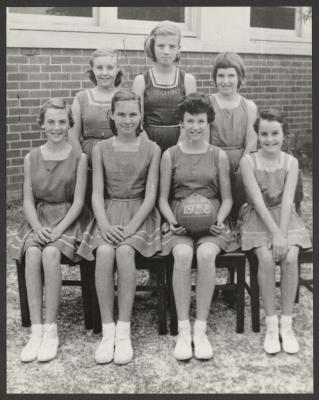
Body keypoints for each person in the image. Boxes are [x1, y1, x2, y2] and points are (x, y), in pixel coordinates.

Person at [77, 89, 161, 365]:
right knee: (103, 253)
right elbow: (96, 194)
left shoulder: (152, 149)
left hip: (139, 213)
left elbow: (150, 195)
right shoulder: (100, 149)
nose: (127, 120)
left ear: (140, 116)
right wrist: (104, 223)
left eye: (133, 114)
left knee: (124, 252)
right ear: (112, 115)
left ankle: (124, 331)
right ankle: (108, 330)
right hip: (109, 211)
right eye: (121, 114)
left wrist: (132, 226)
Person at [159, 93, 239, 361]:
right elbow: (162, 197)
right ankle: (183, 330)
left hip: (212, 221)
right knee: (182, 255)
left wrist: (218, 220)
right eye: (190, 121)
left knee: (205, 255)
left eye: (200, 121)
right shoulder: (170, 154)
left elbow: (227, 198)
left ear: (209, 123)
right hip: (179, 220)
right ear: (181, 123)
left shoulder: (218, 156)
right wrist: (172, 220)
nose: (195, 126)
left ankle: (200, 329)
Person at [9, 98, 88, 363]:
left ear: (69, 124)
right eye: (51, 121)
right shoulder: (31, 157)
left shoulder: (79, 158)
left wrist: (58, 229)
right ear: (42, 123)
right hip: (40, 217)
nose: (56, 127)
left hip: (68, 218)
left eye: (62, 122)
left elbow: (78, 202)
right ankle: (36, 329)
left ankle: (51, 329)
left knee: (50, 255)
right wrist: (38, 227)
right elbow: (28, 201)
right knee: (32, 254)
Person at [239, 109, 312, 355]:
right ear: (257, 135)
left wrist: (282, 235)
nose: (270, 139)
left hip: (285, 217)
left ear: (284, 135)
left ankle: (286, 324)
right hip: (258, 217)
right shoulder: (248, 161)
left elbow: (289, 200)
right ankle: (271, 324)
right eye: (264, 134)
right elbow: (258, 203)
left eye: (275, 134)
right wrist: (275, 236)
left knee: (290, 257)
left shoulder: (291, 162)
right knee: (267, 259)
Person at [132, 20, 197, 153]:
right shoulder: (141, 81)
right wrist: (148, 146)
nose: (166, 51)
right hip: (148, 141)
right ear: (152, 47)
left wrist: (180, 143)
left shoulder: (187, 80)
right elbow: (136, 119)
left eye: (172, 46)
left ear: (179, 48)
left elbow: (192, 119)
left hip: (180, 141)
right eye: (161, 46)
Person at [68, 48, 123, 203]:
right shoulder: (81, 97)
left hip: (118, 157)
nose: (104, 73)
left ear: (117, 70)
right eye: (99, 68)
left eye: (110, 68)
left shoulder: (124, 97)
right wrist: (82, 160)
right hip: (89, 159)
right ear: (92, 70)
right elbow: (73, 135)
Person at [209, 52, 257, 219]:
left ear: (240, 77)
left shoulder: (248, 106)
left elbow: (251, 140)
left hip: (240, 160)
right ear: (214, 78)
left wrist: (243, 165)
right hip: (214, 158)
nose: (226, 80)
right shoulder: (209, 103)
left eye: (231, 75)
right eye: (221, 75)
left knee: (239, 201)